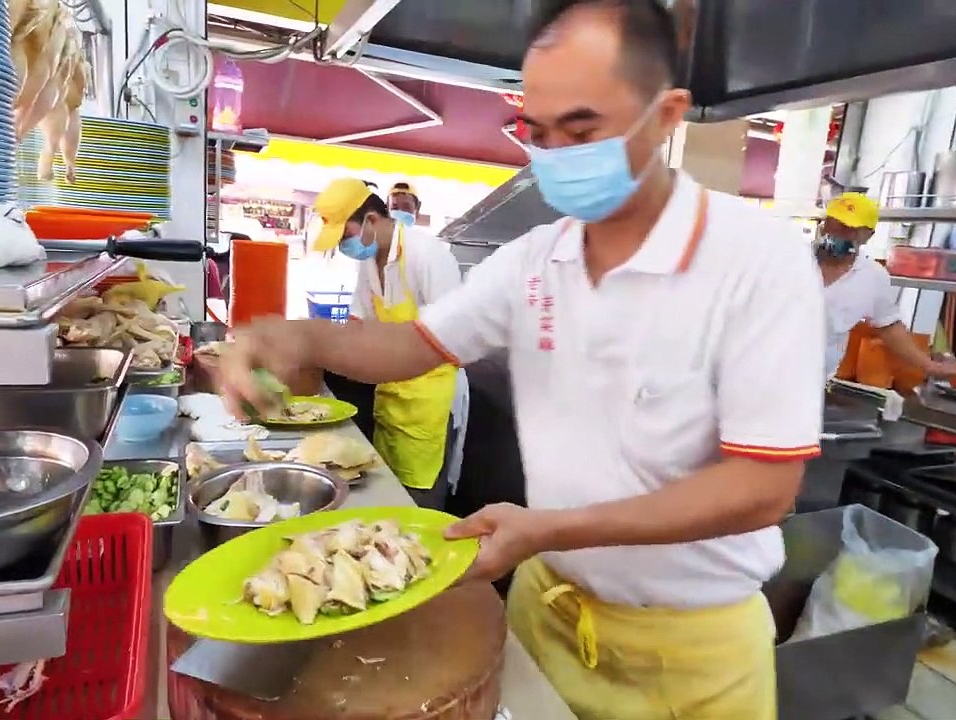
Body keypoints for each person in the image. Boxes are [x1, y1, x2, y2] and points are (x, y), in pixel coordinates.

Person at [221, 2, 824, 718]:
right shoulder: (538, 259)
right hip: (546, 614)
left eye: (582, 128)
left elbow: (762, 487)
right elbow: (414, 344)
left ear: (667, 115)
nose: (556, 154)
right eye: (537, 133)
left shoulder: (759, 263)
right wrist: (297, 336)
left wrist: (551, 528)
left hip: (689, 660)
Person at [311, 177, 462, 510]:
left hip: (429, 406)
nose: (344, 247)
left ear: (372, 220)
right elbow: (357, 320)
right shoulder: (369, 260)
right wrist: (322, 345)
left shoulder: (428, 256)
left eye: (346, 236)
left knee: (418, 505)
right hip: (391, 398)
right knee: (386, 498)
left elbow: (454, 340)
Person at [819, 192, 956, 378]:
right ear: (823, 224)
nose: (838, 233)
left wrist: (929, 366)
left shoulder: (872, 277)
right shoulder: (793, 260)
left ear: (868, 235)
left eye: (850, 229)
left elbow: (888, 327)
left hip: (813, 382)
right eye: (834, 224)